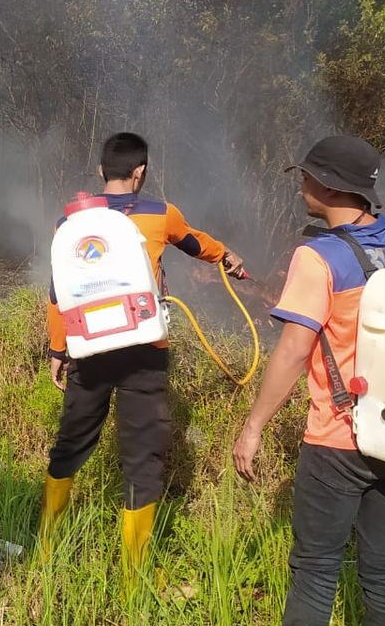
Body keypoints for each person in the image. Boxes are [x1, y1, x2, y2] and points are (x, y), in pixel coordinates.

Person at [232, 135, 385, 626]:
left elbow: (294, 350)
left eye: (304, 178)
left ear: (325, 185)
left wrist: (253, 427)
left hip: (339, 439)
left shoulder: (319, 257)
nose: (300, 187)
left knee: (316, 571)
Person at [41, 132, 246, 578]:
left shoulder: (69, 223)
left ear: (100, 173)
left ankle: (46, 546)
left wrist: (58, 348)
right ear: (141, 172)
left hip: (89, 352)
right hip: (145, 352)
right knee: (142, 454)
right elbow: (195, 242)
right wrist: (226, 255)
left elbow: (59, 292)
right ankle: (134, 576)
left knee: (73, 438)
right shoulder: (160, 213)